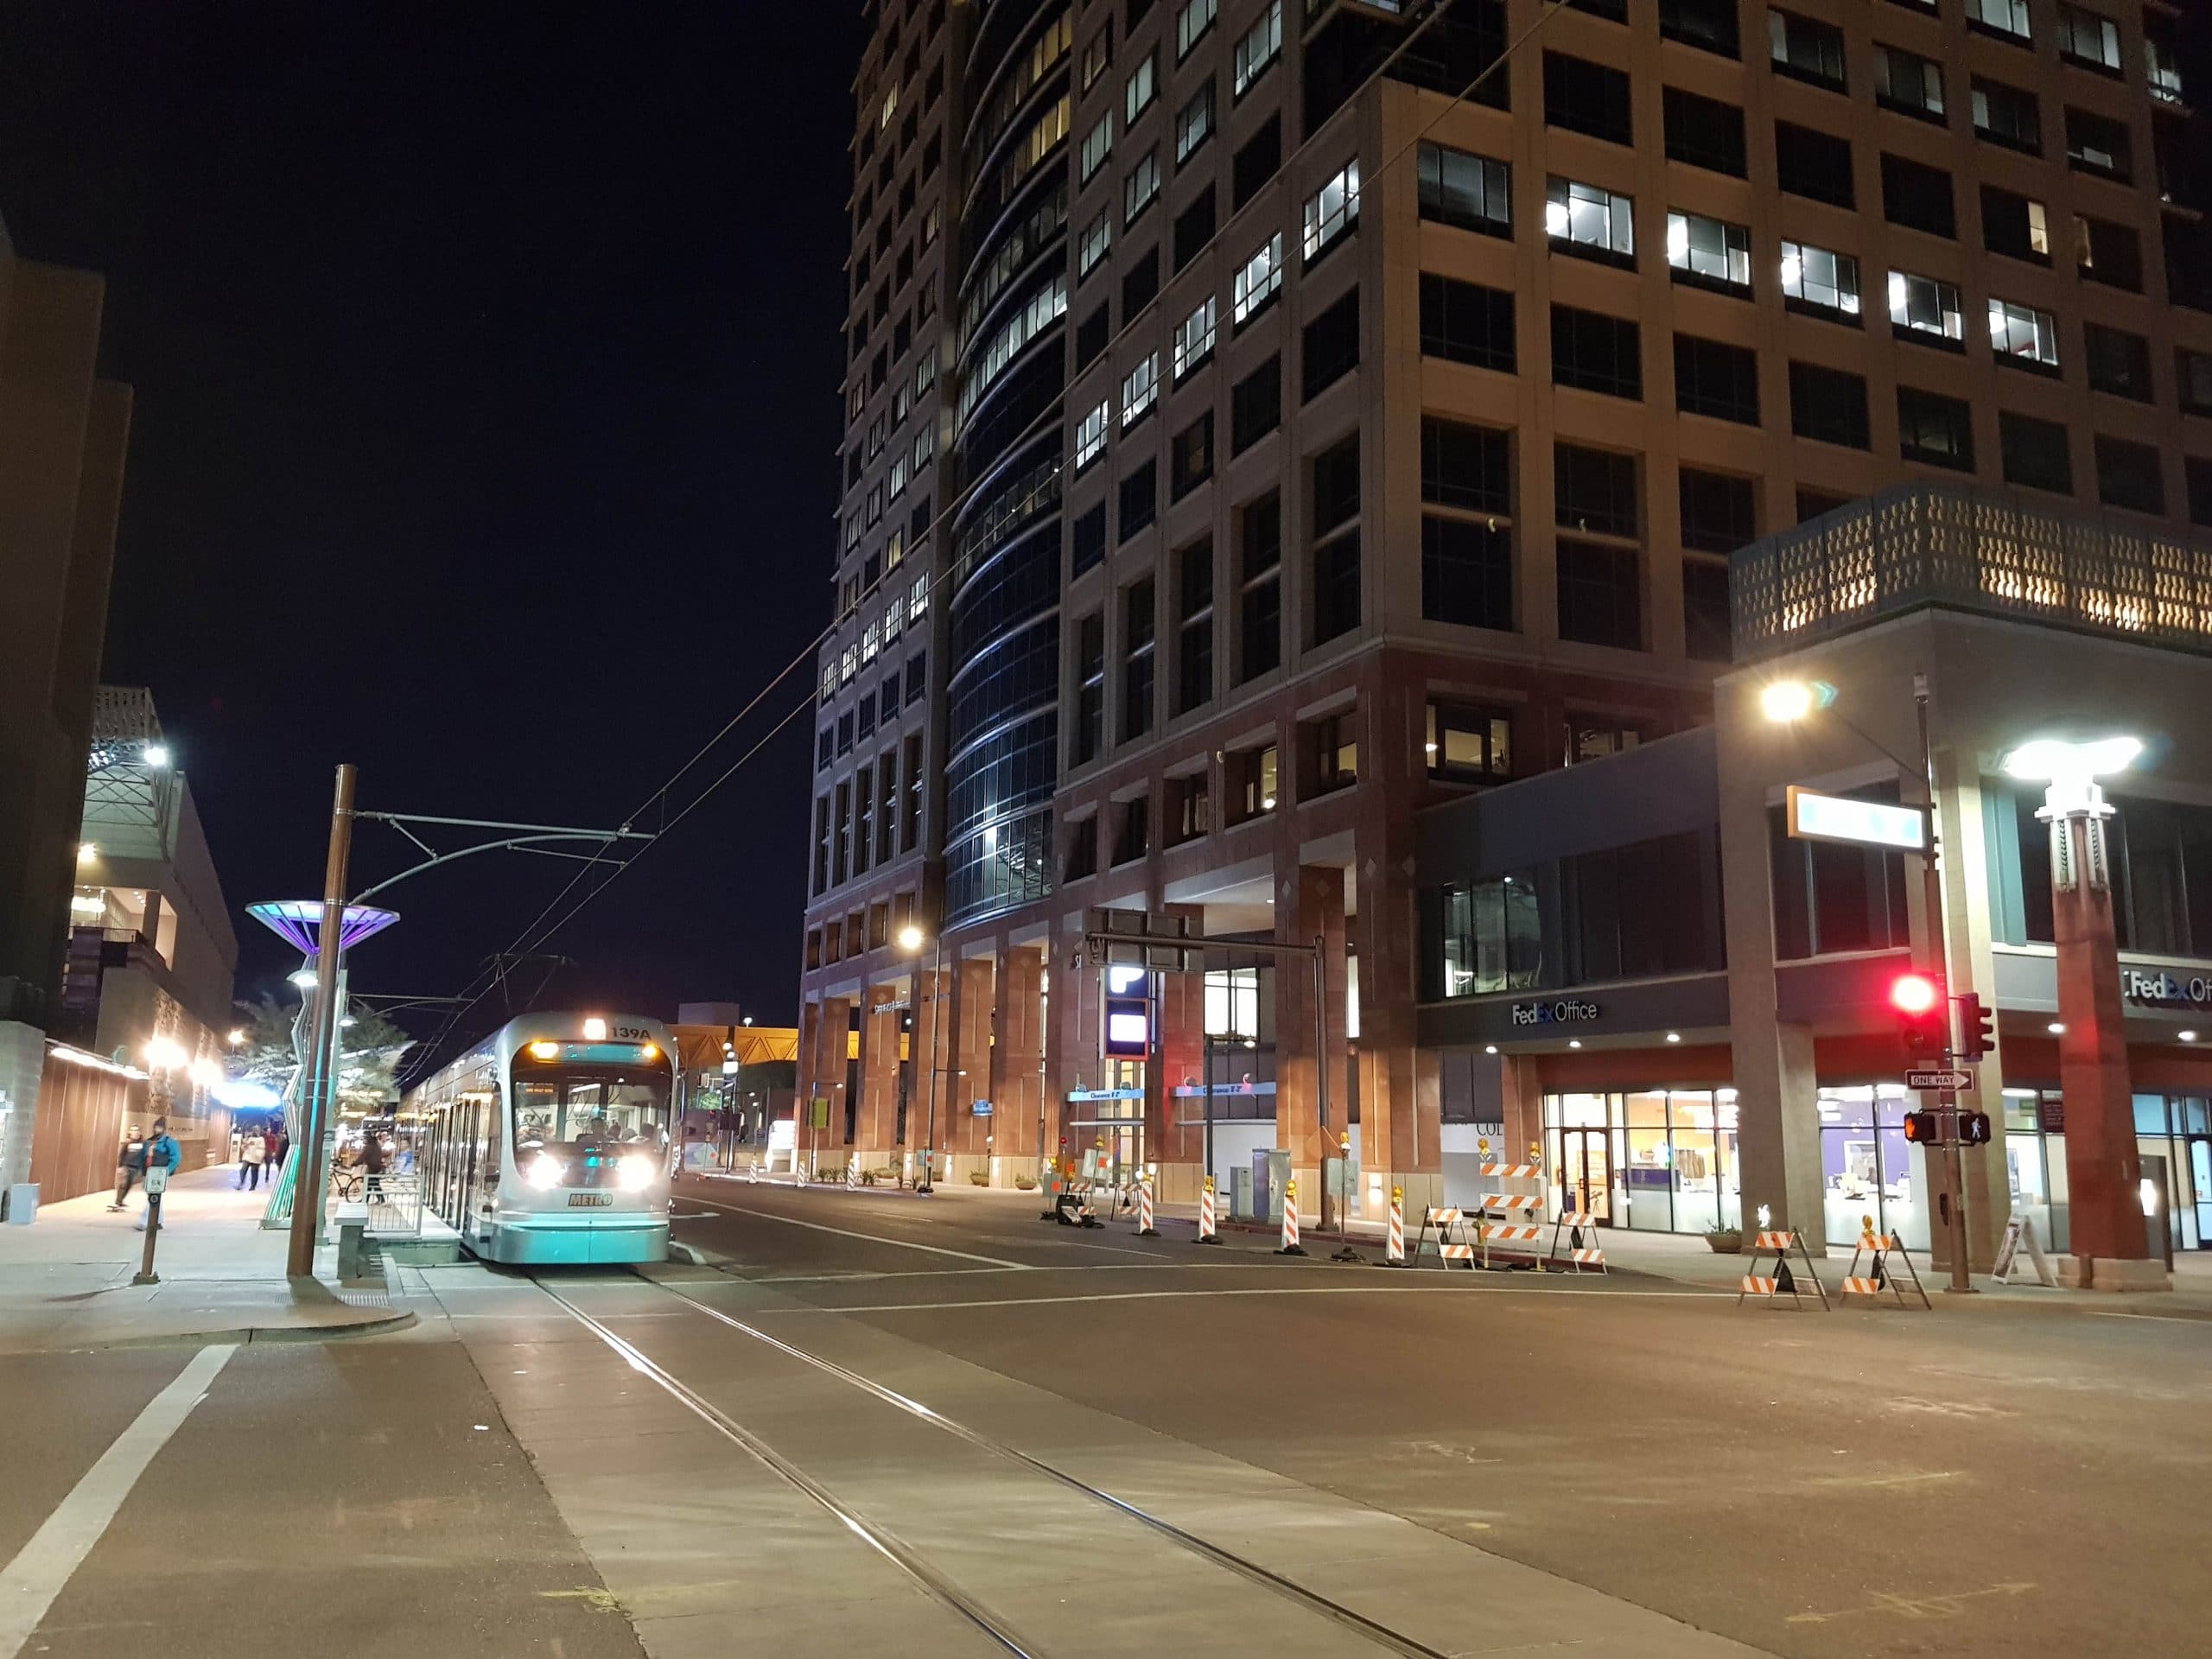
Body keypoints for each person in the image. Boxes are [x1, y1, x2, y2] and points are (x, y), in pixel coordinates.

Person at [134, 1119, 181, 1232]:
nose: (157, 1130)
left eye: (159, 1127)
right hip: (148, 1173)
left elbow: (176, 1158)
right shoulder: (148, 1142)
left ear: (163, 1129)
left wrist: (166, 1171)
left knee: (152, 1197)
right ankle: (159, 1221)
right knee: (155, 1197)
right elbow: (142, 1157)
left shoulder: (169, 1142)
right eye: (155, 1127)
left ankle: (144, 1221)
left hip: (159, 1174)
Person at [109, 1126, 146, 1211]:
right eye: (132, 1130)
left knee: (129, 1185)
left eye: (136, 1130)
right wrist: (120, 1166)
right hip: (126, 1166)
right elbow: (122, 1154)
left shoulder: (143, 1143)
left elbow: (144, 1155)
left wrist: (142, 1168)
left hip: (135, 1167)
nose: (135, 1132)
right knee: (123, 1184)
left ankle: (121, 1200)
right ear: (130, 1132)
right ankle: (117, 1202)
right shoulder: (127, 1142)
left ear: (139, 1132)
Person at [239, 1128, 267, 1192]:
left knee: (254, 1172)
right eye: (254, 1130)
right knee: (243, 1170)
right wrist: (247, 1144)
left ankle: (253, 1186)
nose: (255, 1132)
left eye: (257, 1130)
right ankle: (241, 1182)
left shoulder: (261, 1139)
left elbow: (262, 1148)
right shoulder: (249, 1138)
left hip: (256, 1158)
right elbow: (243, 1147)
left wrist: (260, 1156)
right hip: (247, 1157)